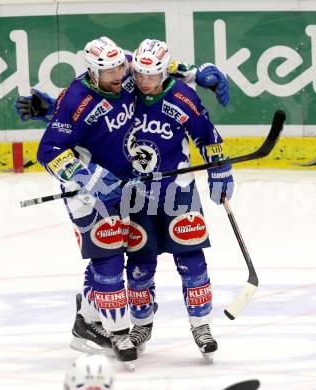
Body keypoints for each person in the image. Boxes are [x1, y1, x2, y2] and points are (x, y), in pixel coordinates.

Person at [16, 36, 230, 366]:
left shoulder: (127, 69)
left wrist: (195, 72)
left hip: (134, 186)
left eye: (122, 68)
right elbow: (50, 151)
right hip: (90, 192)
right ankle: (105, 325)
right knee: (111, 258)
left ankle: (88, 317)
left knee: (122, 257)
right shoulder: (76, 98)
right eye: (112, 72)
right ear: (92, 71)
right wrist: (88, 177)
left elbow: (157, 68)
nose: (123, 77)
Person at [122, 39, 234, 363]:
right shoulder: (126, 88)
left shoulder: (184, 96)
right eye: (140, 74)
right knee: (140, 264)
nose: (145, 82)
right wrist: (194, 70)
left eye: (151, 75)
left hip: (178, 191)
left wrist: (220, 171)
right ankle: (140, 324)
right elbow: (117, 59)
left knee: (192, 260)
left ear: (164, 71)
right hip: (136, 193)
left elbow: (207, 135)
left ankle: (202, 325)